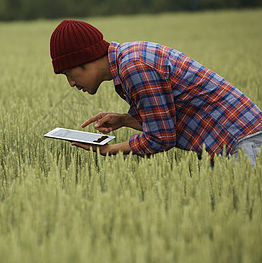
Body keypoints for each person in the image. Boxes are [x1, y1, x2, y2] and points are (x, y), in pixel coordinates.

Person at [50, 20, 262, 166]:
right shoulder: (129, 58)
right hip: (238, 139)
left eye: (69, 73)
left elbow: (161, 138)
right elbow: (166, 122)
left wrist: (109, 150)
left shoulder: (134, 67)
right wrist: (125, 120)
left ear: (85, 61)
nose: (70, 83)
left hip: (244, 142)